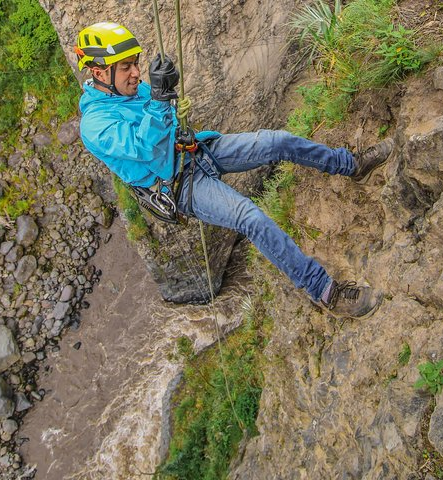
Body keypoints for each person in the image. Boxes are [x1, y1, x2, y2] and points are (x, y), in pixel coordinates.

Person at [74, 22, 393, 319]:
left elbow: (161, 120)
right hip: (179, 185)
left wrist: (168, 102)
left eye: (135, 63)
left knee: (276, 141)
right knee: (250, 218)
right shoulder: (95, 126)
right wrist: (159, 102)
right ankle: (325, 292)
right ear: (99, 71)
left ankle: (351, 165)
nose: (135, 73)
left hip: (197, 151)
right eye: (126, 66)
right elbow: (143, 147)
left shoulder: (132, 90)